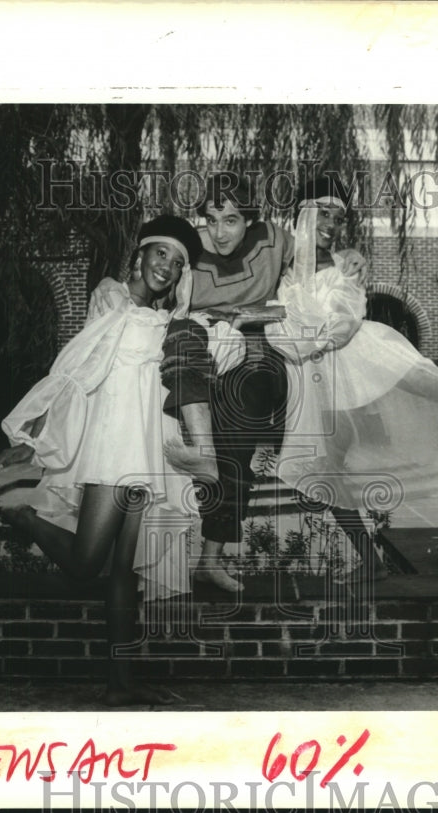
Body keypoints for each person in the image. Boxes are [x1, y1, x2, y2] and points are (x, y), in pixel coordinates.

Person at [0, 214, 244, 705]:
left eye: (177, 262)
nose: (166, 267)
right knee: (87, 563)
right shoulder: (110, 299)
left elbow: (200, 369)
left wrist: (218, 330)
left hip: (149, 453)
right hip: (111, 447)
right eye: (159, 254)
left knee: (125, 571)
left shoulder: (175, 325)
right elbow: (76, 372)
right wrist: (35, 433)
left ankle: (120, 683)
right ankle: (24, 517)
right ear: (140, 255)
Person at [265, 177, 438, 582]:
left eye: (339, 216)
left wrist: (299, 335)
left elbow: (344, 324)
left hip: (370, 359)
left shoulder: (345, 265)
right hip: (319, 386)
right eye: (323, 213)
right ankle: (374, 565)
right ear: (301, 214)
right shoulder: (278, 272)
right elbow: (273, 329)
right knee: (325, 475)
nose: (332, 223)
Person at [160, 171, 367, 592]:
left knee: (311, 458)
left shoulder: (274, 241)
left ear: (249, 221)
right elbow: (160, 287)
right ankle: (197, 549)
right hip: (210, 358)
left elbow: (317, 255)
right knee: (239, 450)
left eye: (232, 219)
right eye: (212, 219)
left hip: (277, 361)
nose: (220, 232)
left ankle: (369, 555)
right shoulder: (190, 253)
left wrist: (349, 256)